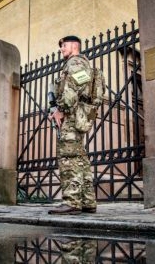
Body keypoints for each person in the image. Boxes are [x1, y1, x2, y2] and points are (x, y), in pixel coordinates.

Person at [47, 35, 97, 215]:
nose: (61, 49)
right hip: (79, 114)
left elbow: (73, 88)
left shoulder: (75, 62)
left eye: (64, 45)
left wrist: (60, 109)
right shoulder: (82, 63)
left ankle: (72, 202)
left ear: (75, 46)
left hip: (71, 115)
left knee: (68, 157)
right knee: (80, 158)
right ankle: (87, 201)